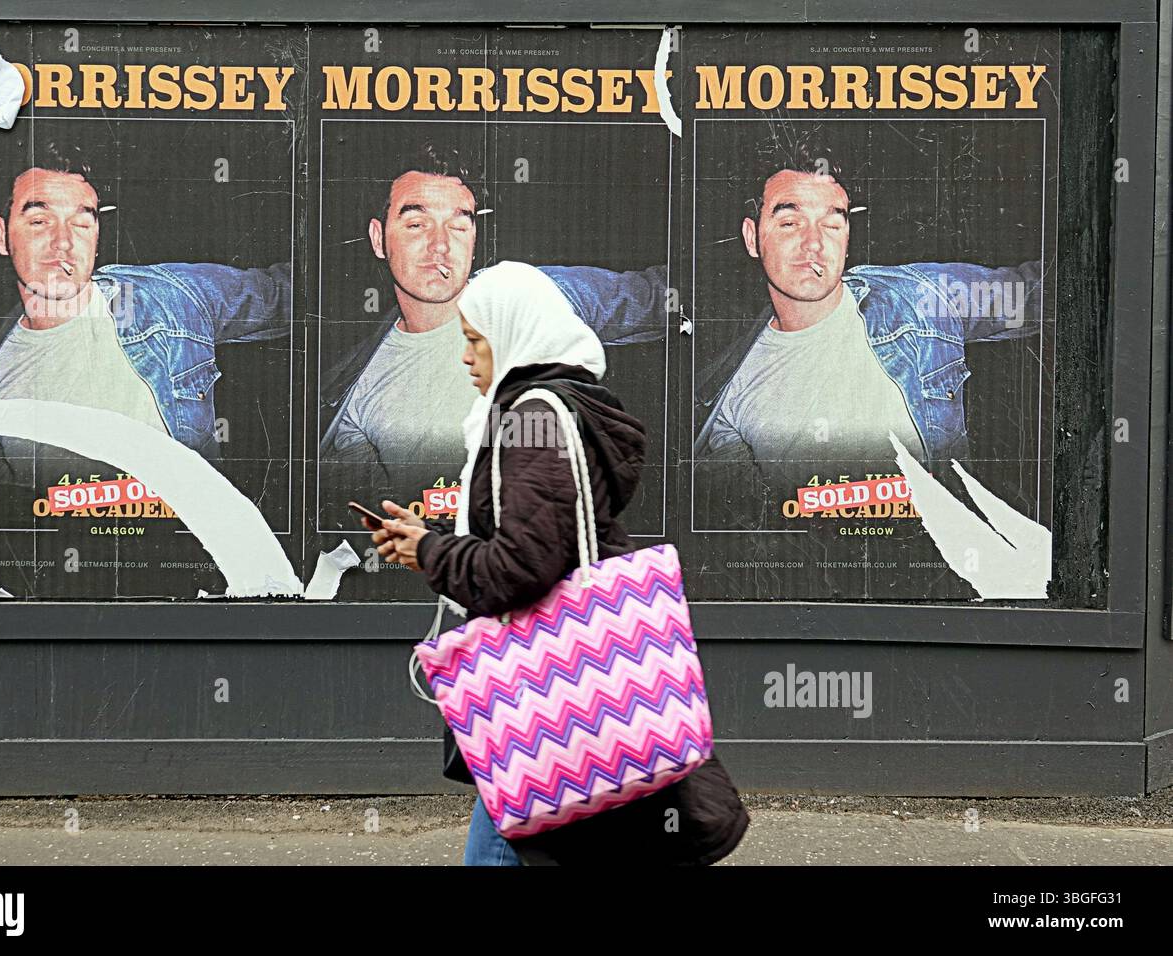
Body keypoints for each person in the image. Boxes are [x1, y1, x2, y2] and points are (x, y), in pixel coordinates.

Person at [372, 260, 748, 866]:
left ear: (513, 333)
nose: (466, 358)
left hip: (545, 696)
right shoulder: (563, 405)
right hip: (553, 703)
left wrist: (430, 551)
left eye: (474, 339)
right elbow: (539, 535)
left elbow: (524, 565)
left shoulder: (531, 417)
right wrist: (434, 537)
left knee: (522, 817)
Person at [693, 144, 1043, 520]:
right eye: (789, 222)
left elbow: (1041, 292)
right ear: (752, 237)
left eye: (831, 223)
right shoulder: (724, 393)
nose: (814, 244)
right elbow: (749, 527)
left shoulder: (920, 298)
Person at [319, 144, 667, 503]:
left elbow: (661, 296)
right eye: (416, 224)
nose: (439, 245)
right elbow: (378, 519)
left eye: (458, 226)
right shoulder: (352, 392)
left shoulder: (527, 292)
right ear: (379, 239)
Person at [0, 142, 292, 464]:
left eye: (81, 223)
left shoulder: (169, 298)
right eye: (39, 221)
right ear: (2, 236)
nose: (63, 242)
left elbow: (288, 294)